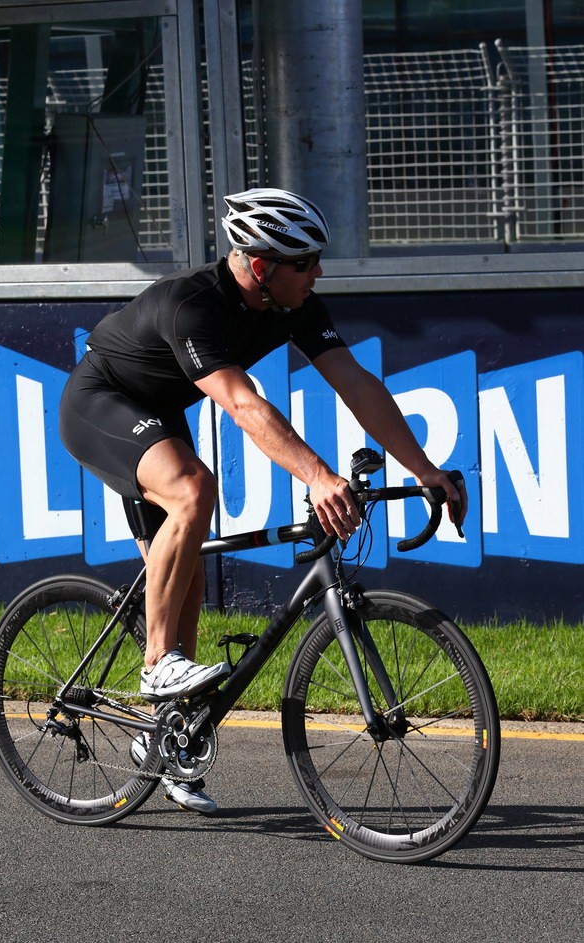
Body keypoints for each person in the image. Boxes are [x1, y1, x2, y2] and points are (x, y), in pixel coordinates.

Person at [59, 187, 466, 814]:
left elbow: (355, 383)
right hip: (100, 403)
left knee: (185, 561)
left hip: (160, 411)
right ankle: (157, 664)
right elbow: (244, 405)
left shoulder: (292, 301)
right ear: (259, 266)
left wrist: (426, 469)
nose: (317, 272)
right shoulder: (192, 306)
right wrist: (317, 476)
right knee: (194, 490)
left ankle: (165, 738)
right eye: (304, 262)